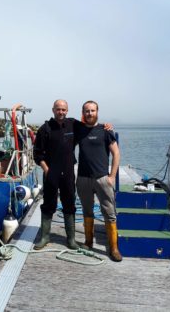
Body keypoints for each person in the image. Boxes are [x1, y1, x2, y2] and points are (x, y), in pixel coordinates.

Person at [33, 99, 112, 250]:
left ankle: (71, 240)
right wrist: (46, 169)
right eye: (58, 109)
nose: (61, 112)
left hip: (68, 171)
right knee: (49, 204)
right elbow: (37, 153)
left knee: (69, 203)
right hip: (50, 172)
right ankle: (44, 237)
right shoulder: (45, 128)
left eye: (63, 109)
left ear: (67, 111)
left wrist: (105, 126)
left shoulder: (73, 124)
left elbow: (90, 125)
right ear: (53, 110)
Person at [76, 100, 122, 261]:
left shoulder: (105, 130)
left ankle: (114, 248)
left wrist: (112, 176)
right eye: (87, 111)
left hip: (103, 178)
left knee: (109, 213)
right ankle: (88, 242)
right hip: (83, 178)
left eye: (93, 111)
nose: (90, 113)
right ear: (83, 113)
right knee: (87, 211)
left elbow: (116, 153)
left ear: (97, 112)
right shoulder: (79, 130)